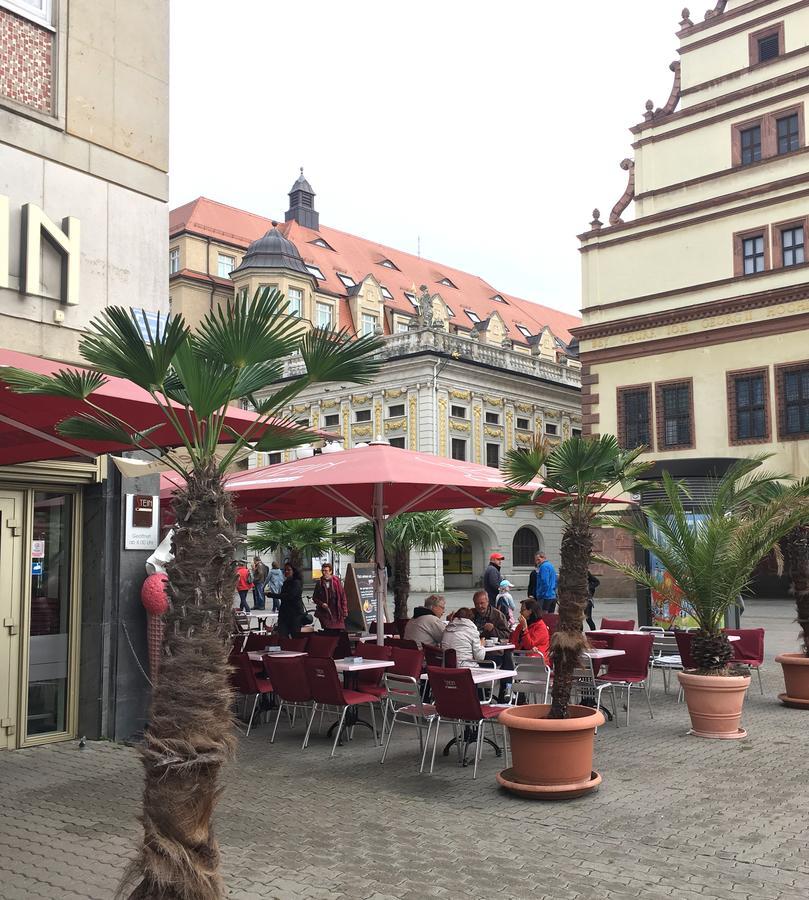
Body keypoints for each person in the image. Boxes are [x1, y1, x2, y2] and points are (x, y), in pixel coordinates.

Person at [472, 589, 514, 702]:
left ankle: (504, 691)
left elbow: (507, 634)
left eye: (482, 603)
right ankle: (503, 691)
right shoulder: (472, 614)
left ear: (487, 601)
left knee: (506, 656)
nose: (479, 606)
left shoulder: (497, 615)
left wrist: (493, 630)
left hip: (492, 653)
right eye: (477, 603)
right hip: (474, 654)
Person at [312, 562, 348, 631]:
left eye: (326, 571)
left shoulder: (336, 581)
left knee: (338, 631)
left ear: (330, 571)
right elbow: (315, 598)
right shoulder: (319, 583)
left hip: (337, 611)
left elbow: (343, 596)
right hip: (325, 612)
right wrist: (322, 604)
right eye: (323, 571)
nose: (324, 572)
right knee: (328, 630)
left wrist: (344, 611)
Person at [277, 564, 309, 638]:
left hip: (295, 614)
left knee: (295, 635)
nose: (286, 571)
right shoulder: (285, 582)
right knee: (282, 635)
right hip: (284, 613)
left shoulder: (296, 582)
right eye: (285, 570)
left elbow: (290, 596)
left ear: (293, 571)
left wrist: (271, 595)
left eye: (289, 570)